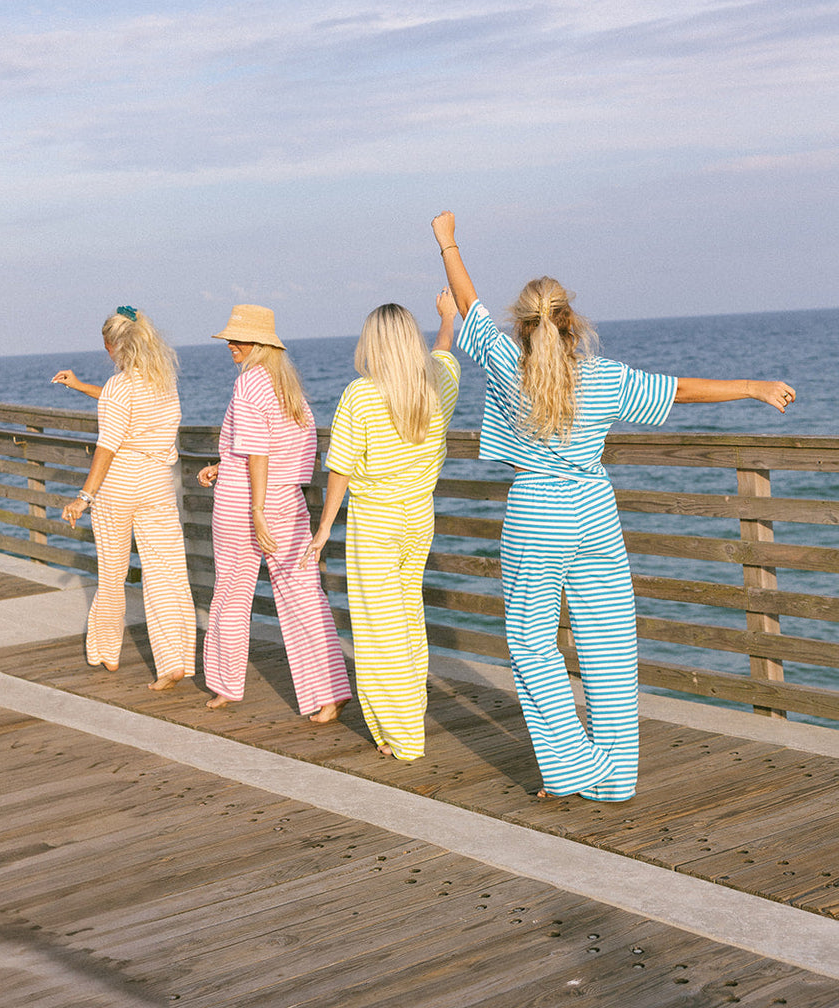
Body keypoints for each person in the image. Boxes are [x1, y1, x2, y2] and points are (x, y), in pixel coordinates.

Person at [430, 211, 796, 802]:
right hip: (594, 510)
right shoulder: (603, 377)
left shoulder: (506, 364)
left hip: (538, 511)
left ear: (521, 326)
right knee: (608, 639)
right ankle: (616, 776)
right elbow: (677, 390)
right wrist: (753, 387)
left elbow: (469, 304)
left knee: (530, 641)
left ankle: (578, 765)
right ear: (571, 324)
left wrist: (447, 241)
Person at [302, 292, 461, 761]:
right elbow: (444, 351)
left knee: (379, 631)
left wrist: (324, 527)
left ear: (373, 342)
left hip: (375, 523)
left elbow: (341, 468)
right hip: (419, 518)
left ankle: (403, 736)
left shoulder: (362, 394)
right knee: (408, 621)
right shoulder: (437, 384)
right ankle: (408, 720)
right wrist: (447, 318)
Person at [196, 304, 351, 721]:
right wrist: (224, 464)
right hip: (288, 500)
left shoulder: (248, 384)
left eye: (239, 339)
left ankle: (226, 685)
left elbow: (259, 452)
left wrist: (257, 508)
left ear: (259, 344)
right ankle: (331, 691)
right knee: (304, 593)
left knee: (231, 592)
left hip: (246, 502)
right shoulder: (288, 388)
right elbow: (281, 450)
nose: (231, 344)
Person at [54, 305, 196, 691]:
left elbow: (108, 444)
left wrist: (83, 497)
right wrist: (82, 386)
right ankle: (174, 660)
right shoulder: (162, 382)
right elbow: (123, 405)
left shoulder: (120, 386)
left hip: (119, 484)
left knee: (113, 573)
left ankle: (107, 652)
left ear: (114, 346)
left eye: (106, 347)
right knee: (167, 573)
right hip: (157, 483)